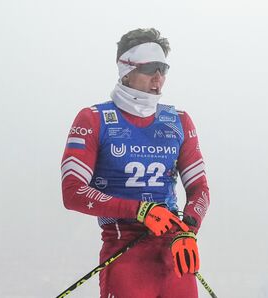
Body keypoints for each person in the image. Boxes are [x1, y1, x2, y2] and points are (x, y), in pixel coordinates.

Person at [60, 28, 210, 298]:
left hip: (174, 253)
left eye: (163, 69)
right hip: (124, 250)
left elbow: (200, 188)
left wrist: (189, 228)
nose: (158, 78)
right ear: (125, 71)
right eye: (150, 68)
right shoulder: (94, 119)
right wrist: (140, 210)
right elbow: (72, 192)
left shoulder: (178, 121)